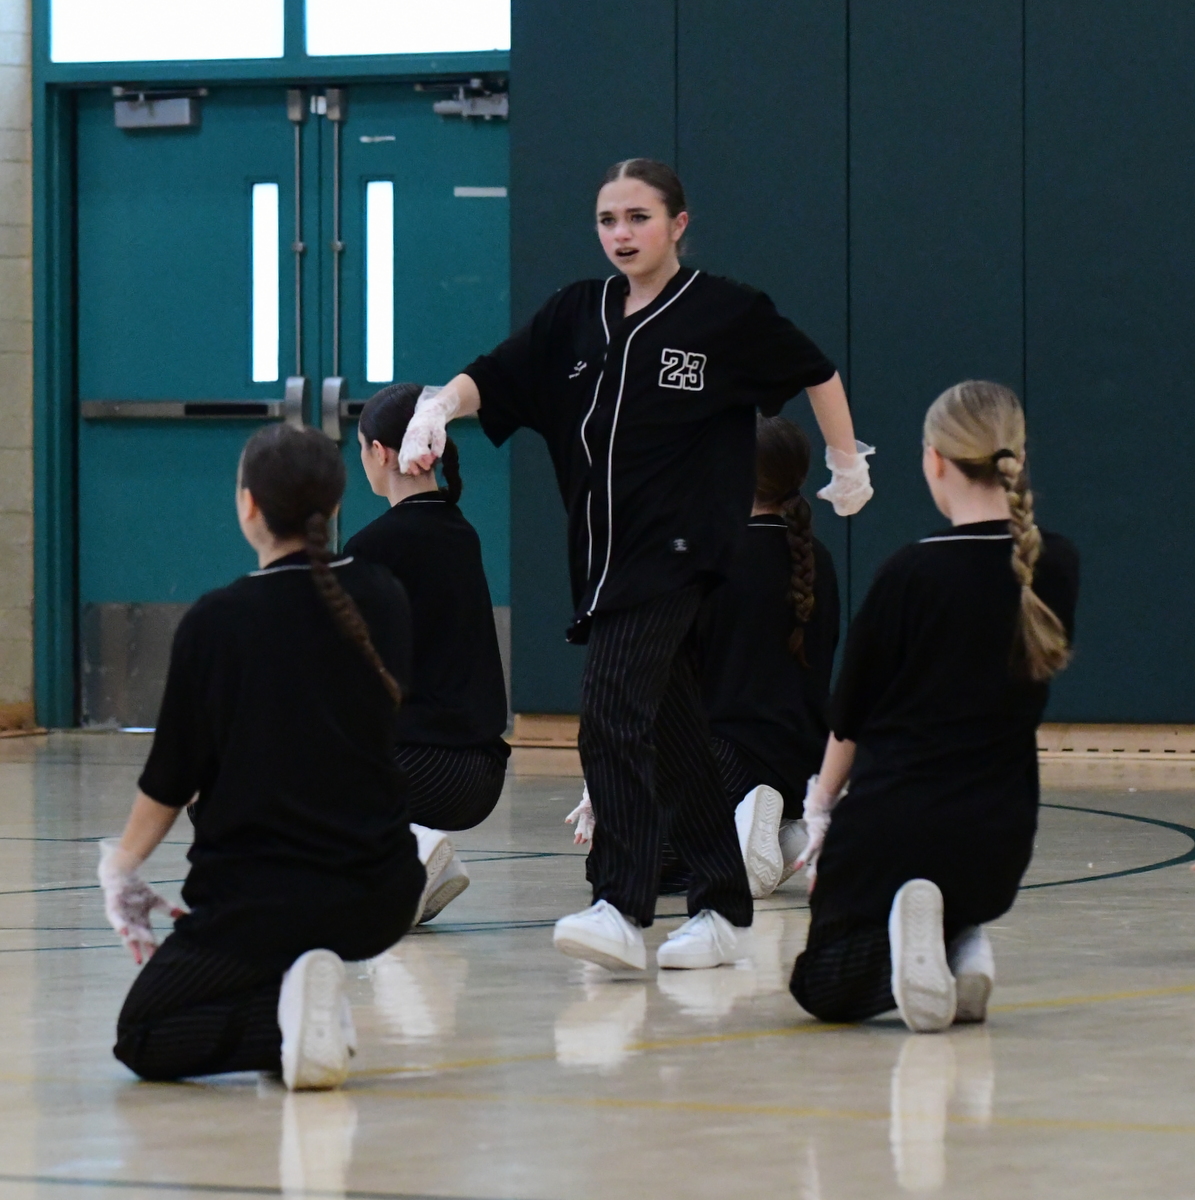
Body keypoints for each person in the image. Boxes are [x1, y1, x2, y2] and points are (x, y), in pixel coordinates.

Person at [399, 157, 873, 972]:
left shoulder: (724, 312)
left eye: (638, 217)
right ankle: (720, 909)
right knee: (674, 731)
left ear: (677, 224)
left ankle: (619, 904)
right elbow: (496, 373)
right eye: (607, 220)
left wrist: (845, 459)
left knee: (609, 715)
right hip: (603, 561)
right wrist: (438, 406)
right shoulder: (573, 315)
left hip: (681, 554)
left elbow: (814, 370)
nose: (621, 234)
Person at [99, 424, 424, 1090]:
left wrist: (120, 868)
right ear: (334, 506)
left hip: (262, 904)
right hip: (382, 892)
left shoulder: (218, 621)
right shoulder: (385, 596)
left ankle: (292, 1023)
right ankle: (303, 1005)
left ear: (248, 505)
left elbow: (171, 779)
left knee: (143, 1034)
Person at [788, 380, 1079, 1032]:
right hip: (999, 840)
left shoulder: (908, 573)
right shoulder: (1054, 565)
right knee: (949, 888)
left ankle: (926, 942)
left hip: (892, 828)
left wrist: (818, 810)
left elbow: (849, 715)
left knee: (819, 984)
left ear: (935, 460)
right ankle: (960, 941)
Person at [569, 415, 841, 901]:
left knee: (614, 863)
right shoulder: (817, 557)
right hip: (804, 762)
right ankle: (782, 836)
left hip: (727, 758)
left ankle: (739, 846)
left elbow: (654, 681)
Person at [345, 382, 511, 924]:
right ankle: (410, 865)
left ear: (380, 452)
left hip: (422, 770)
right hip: (482, 774)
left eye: (361, 449)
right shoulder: (462, 532)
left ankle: (407, 852)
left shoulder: (373, 546)